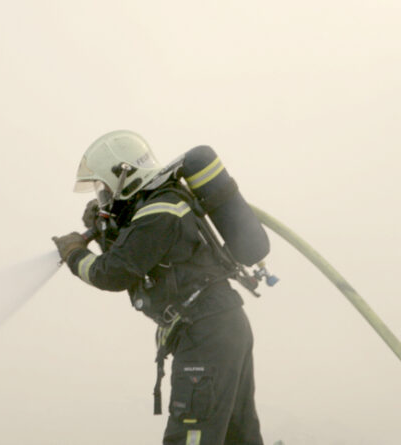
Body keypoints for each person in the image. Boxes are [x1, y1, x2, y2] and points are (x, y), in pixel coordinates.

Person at [53, 130, 265, 445]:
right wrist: (102, 230)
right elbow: (137, 252)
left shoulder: (158, 211)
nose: (103, 196)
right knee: (236, 437)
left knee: (191, 434)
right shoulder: (158, 207)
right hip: (218, 326)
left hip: (204, 333)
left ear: (126, 174)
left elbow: (111, 272)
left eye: (104, 187)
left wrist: (74, 254)